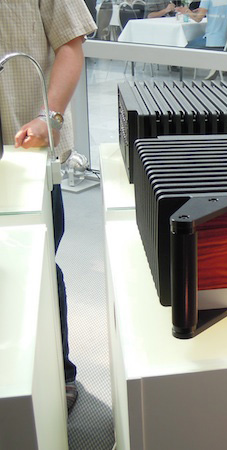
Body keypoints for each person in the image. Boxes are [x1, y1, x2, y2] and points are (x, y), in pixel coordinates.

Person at [0, 0, 96, 411]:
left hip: (28, 154)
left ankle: (58, 373)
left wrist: (49, 118)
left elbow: (70, 43)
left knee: (37, 268)